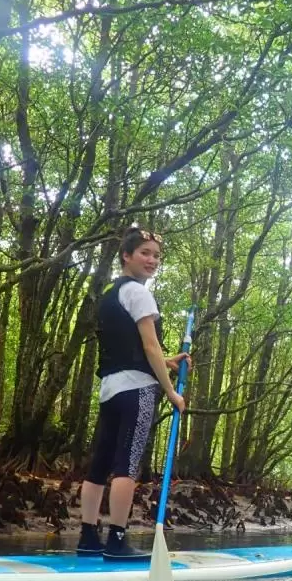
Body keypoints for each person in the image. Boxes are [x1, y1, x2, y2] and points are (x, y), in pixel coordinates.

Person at [77, 227, 189, 559]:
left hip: (111, 390)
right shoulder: (139, 293)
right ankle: (117, 541)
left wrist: (167, 361)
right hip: (138, 390)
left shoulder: (112, 293)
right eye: (145, 253)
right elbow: (150, 344)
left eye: (156, 255)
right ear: (127, 255)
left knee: (100, 464)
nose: (152, 260)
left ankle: (88, 538)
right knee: (127, 463)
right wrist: (171, 391)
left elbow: (129, 346)